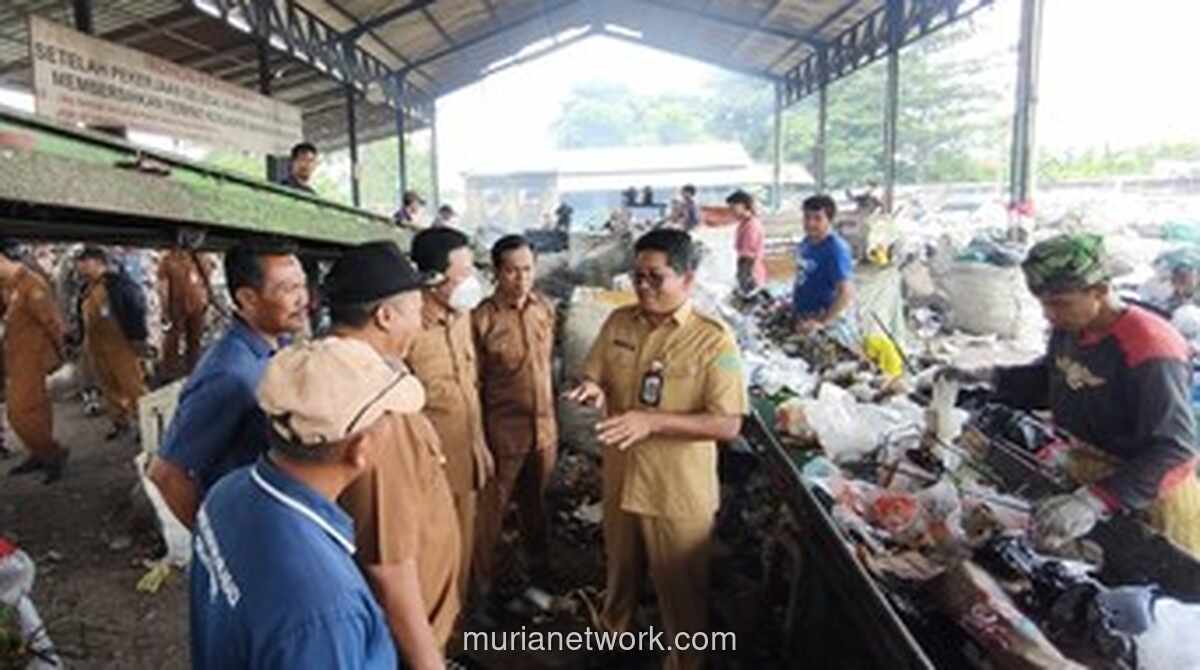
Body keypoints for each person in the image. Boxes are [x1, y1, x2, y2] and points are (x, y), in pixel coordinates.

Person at [949, 233, 1200, 558]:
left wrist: (1096, 500)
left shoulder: (1149, 348)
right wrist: (989, 377)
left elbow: (1174, 448)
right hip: (1090, 468)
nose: (1049, 314)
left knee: (1145, 581)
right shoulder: (1071, 328)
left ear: (1099, 291)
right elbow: (1057, 381)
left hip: (1148, 489)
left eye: (1059, 303)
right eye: (1043, 304)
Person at [566, 229, 747, 670]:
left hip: (676, 490)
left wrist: (653, 421)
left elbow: (727, 423)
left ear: (687, 279)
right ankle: (613, 644)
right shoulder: (619, 322)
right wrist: (591, 388)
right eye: (638, 276)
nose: (643, 286)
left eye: (656, 277)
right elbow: (595, 374)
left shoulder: (715, 342)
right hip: (622, 477)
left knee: (680, 591)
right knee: (618, 574)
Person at [189, 337, 402, 670]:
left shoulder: (225, 494)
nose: (394, 425)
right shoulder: (326, 612)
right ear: (360, 449)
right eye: (388, 416)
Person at [325, 241, 462, 665]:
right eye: (415, 309)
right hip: (405, 632)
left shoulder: (339, 371)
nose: (422, 321)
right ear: (385, 316)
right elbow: (388, 564)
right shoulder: (379, 412)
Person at [149, 240, 308, 529]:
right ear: (247, 298)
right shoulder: (229, 373)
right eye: (287, 289)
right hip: (244, 523)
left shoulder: (278, 345)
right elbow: (167, 474)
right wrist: (213, 539)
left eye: (302, 286)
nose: (303, 299)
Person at [406, 227, 493, 604]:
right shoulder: (407, 329)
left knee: (463, 552)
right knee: (432, 563)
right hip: (430, 474)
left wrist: (481, 445)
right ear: (434, 279)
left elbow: (469, 388)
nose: (472, 282)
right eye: (463, 274)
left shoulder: (461, 316)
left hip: (467, 460)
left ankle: (458, 632)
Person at [472, 235, 558, 593]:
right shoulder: (480, 321)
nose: (521, 279)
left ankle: (538, 575)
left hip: (545, 432)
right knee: (490, 517)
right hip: (502, 437)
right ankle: (482, 590)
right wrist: (478, 440)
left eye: (527, 270)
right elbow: (472, 385)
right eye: (511, 271)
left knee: (537, 508)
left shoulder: (544, 309)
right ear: (496, 273)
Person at [0, 239, 67, 484]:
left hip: (32, 359)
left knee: (20, 411)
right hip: (16, 359)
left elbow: (52, 322)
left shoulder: (32, 285)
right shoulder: (11, 285)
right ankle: (39, 453)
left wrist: (59, 354)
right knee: (34, 411)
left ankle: (53, 453)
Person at [75, 247, 148, 440]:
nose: (80, 266)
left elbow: (136, 308)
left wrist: (138, 337)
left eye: (85, 261)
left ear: (99, 262)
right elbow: (82, 316)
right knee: (107, 385)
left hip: (121, 343)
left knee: (132, 385)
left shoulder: (119, 284)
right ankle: (120, 421)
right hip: (96, 345)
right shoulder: (86, 289)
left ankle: (145, 424)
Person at [792, 194, 857, 346]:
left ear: (829, 220)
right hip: (805, 318)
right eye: (806, 217)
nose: (810, 223)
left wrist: (823, 322)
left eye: (817, 218)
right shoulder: (806, 243)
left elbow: (846, 292)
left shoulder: (836, 249)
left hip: (825, 323)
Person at [157, 248, 215, 380]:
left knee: (192, 339)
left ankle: (188, 369)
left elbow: (206, 279)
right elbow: (163, 287)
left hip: (195, 306)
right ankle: (169, 371)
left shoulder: (199, 258)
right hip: (178, 306)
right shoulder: (169, 260)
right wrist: (165, 308)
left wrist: (207, 298)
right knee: (174, 338)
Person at [726, 190, 767, 293]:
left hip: (751, 274)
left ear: (743, 205)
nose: (731, 211)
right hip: (750, 271)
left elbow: (748, 257)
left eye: (733, 208)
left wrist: (742, 279)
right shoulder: (745, 223)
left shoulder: (751, 226)